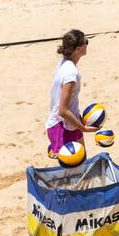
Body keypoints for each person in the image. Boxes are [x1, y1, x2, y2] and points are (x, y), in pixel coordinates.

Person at [47, 29, 97, 158]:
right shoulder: (71, 73)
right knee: (75, 170)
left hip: (69, 122)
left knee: (82, 163)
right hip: (63, 126)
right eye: (86, 42)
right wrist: (83, 128)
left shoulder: (64, 63)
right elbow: (63, 110)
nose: (87, 44)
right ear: (78, 49)